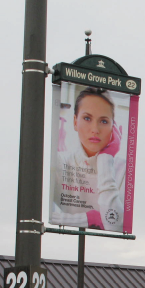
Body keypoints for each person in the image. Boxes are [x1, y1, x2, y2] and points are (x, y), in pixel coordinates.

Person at [51, 87, 125, 231]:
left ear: (113, 127)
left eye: (103, 121)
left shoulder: (124, 169)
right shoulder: (60, 162)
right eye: (87, 118)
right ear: (74, 122)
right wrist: (87, 219)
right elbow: (43, 214)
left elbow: (115, 223)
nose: (95, 129)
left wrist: (105, 159)